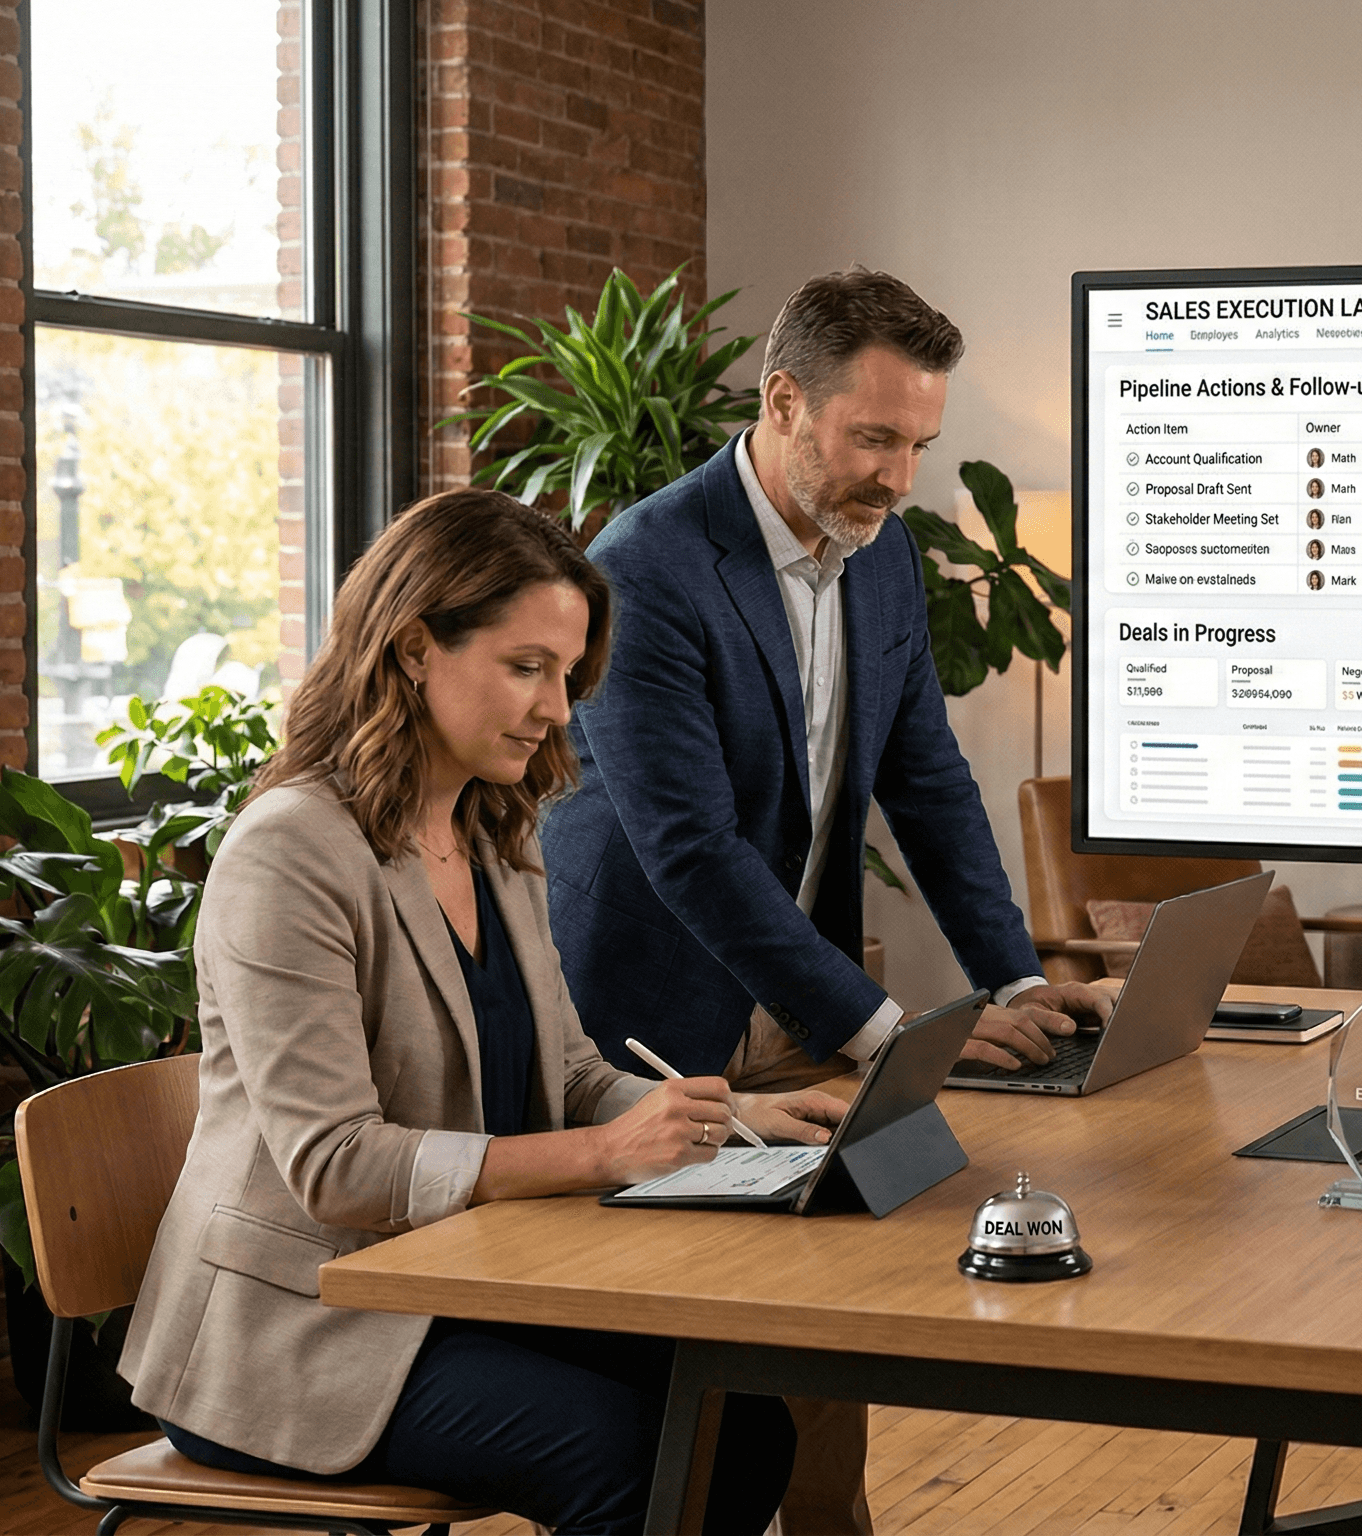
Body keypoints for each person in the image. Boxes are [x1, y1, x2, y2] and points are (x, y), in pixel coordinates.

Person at [122, 491, 839, 1536]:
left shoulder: (493, 830)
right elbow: (335, 1165)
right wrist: (601, 1155)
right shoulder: (288, 854)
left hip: (461, 1284)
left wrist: (714, 1118)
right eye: (526, 667)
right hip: (302, 1330)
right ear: (416, 648)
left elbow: (569, 1070)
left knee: (740, 1423)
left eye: (566, 673)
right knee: (638, 1457)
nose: (558, 708)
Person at [539, 268, 1113, 1533]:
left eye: (919, 444)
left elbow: (929, 780)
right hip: (654, 1016)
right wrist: (886, 1030)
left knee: (829, 1314)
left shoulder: (882, 556)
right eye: (872, 438)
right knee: (705, 1369)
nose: (899, 477)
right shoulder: (648, 565)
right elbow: (689, 850)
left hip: (797, 993)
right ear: (784, 401)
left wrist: (1011, 975)